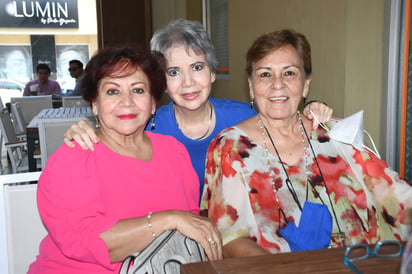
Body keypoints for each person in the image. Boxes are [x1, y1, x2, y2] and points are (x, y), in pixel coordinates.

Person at [63, 19, 333, 199]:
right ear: (161, 82)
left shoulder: (246, 118)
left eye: (197, 67)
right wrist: (84, 131)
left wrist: (314, 111)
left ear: (212, 72)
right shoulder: (145, 125)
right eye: (173, 72)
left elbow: (285, 119)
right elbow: (110, 143)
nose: (188, 82)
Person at [200, 29, 412, 258]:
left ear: (306, 84)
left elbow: (398, 196)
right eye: (265, 75)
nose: (277, 84)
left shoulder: (337, 135)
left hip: (359, 265)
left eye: (289, 73)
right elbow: (231, 240)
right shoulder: (230, 148)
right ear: (251, 86)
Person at [28, 45, 222, 273]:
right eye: (113, 91)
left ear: (152, 104)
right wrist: (167, 220)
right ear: (95, 104)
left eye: (138, 90)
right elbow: (86, 240)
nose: (127, 101)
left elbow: (190, 227)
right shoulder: (74, 158)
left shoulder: (174, 152)